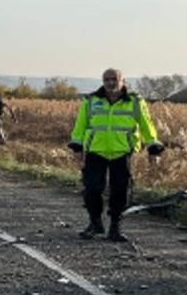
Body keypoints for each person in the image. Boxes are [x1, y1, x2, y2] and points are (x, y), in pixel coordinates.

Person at [68, 68, 162, 241]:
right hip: (96, 151)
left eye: (114, 79)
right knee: (92, 189)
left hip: (122, 152)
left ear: (122, 81)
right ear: (102, 81)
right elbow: (81, 125)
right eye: (106, 79)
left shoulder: (134, 101)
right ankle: (95, 223)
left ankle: (115, 227)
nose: (110, 83)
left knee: (120, 191)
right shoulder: (91, 101)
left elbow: (146, 125)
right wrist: (77, 147)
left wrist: (153, 147)